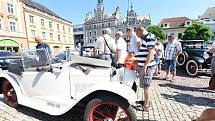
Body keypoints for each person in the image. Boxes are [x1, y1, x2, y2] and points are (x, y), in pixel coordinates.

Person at [135, 26, 156, 111]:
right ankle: (146, 101)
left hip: (147, 66)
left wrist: (145, 66)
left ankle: (146, 106)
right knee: (146, 86)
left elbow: (151, 53)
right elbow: (145, 51)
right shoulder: (147, 38)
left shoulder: (149, 38)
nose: (138, 36)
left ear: (141, 30)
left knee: (146, 86)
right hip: (145, 65)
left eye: (138, 34)